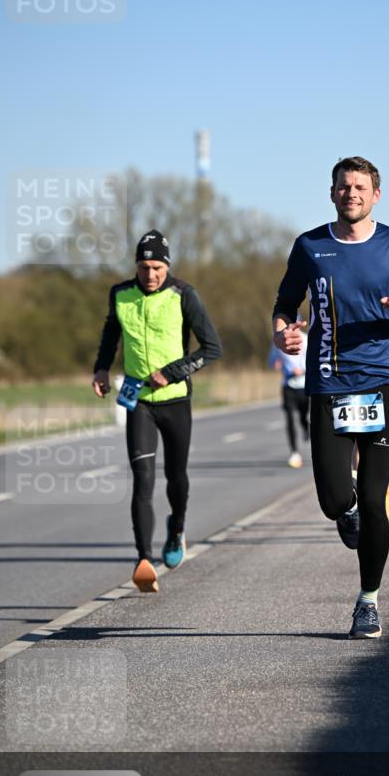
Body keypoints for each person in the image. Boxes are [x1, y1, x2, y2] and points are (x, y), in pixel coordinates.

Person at [272, 157, 389, 638]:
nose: (352, 194)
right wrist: (283, 333)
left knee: (374, 496)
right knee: (335, 497)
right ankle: (347, 512)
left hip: (384, 381)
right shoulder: (310, 245)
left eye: (361, 187)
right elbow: (285, 304)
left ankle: (368, 601)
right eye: (344, 187)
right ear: (332, 193)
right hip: (328, 381)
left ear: (376, 195)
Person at [92, 230, 222, 592]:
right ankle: (143, 561)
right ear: (136, 266)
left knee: (176, 477)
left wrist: (172, 372)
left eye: (157, 268)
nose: (150, 274)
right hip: (139, 402)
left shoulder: (184, 294)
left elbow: (212, 348)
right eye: (144, 267)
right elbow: (111, 334)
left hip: (175, 400)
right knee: (143, 477)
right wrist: (101, 368)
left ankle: (176, 528)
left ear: (167, 267)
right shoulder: (120, 294)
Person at [268, 328, 309, 468]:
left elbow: (314, 360)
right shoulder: (279, 340)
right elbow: (271, 361)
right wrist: (275, 364)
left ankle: (306, 427)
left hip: (304, 385)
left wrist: (302, 370)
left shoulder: (306, 339)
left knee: (303, 416)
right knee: (289, 418)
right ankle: (294, 452)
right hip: (288, 385)